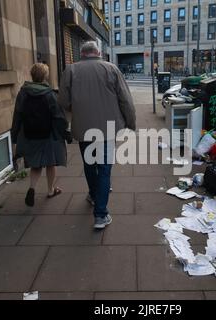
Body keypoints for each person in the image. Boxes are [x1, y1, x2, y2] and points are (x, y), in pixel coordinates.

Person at [58, 41, 136, 229]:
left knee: (89, 164)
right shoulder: (111, 69)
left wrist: (76, 109)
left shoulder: (71, 70)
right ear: (98, 53)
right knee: (104, 168)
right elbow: (125, 99)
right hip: (108, 129)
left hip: (83, 128)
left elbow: (63, 100)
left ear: (82, 54)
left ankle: (93, 195)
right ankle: (100, 215)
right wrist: (131, 122)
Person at [11, 63, 70, 207]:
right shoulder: (50, 94)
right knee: (50, 163)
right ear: (45, 76)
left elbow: (17, 115)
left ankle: (32, 188)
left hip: (29, 133)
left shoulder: (23, 92)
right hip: (48, 134)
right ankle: (50, 190)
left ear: (32, 75)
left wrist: (14, 136)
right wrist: (65, 133)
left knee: (35, 164)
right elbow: (58, 117)